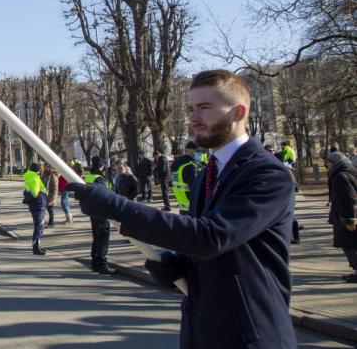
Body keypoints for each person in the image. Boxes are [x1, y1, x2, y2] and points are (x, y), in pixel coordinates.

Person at [68, 69, 296, 348]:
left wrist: (119, 207)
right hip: (202, 328)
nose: (194, 117)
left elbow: (212, 237)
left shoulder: (267, 174)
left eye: (204, 107)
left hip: (249, 333)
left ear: (238, 112)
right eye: (191, 108)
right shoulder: (206, 173)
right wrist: (180, 265)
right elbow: (203, 245)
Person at [324, 151, 357, 283]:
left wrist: (350, 218)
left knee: (349, 245)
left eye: (328, 163)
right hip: (347, 214)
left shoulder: (341, 176)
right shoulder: (349, 172)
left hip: (347, 216)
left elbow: (348, 199)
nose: (326, 165)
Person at [83, 155, 114, 274]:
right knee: (103, 237)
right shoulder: (99, 178)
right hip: (101, 210)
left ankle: (95, 263)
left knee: (96, 237)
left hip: (92, 210)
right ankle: (102, 265)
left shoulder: (89, 176)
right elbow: (104, 194)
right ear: (101, 165)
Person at [23, 162, 48, 255]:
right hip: (39, 205)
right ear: (37, 171)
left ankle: (37, 245)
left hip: (35, 205)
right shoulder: (35, 179)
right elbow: (35, 193)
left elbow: (27, 192)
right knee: (39, 226)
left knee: (38, 225)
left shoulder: (28, 178)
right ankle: (36, 247)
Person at [171, 141, 201, 215]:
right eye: (197, 151)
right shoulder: (191, 165)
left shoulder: (176, 163)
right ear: (190, 150)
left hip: (182, 205)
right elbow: (195, 187)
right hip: (193, 206)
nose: (200, 153)